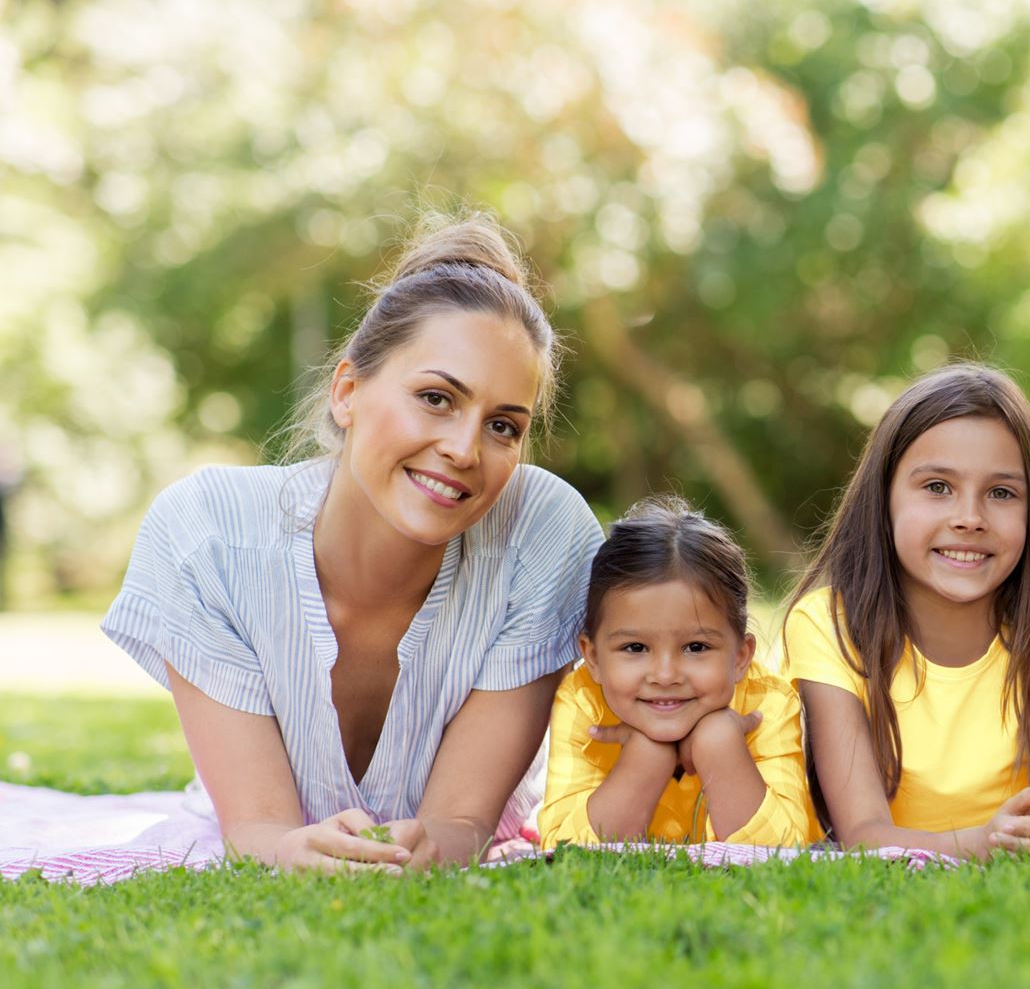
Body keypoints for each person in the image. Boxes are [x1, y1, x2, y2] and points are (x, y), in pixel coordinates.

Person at [102, 213, 601, 871]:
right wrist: (285, 849)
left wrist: (433, 848)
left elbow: (461, 824)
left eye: (503, 427)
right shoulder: (208, 534)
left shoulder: (543, 535)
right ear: (347, 392)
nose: (463, 449)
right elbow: (256, 828)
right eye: (435, 397)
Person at [783, 365, 1030, 860]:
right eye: (937, 487)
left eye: (1001, 493)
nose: (969, 519)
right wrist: (984, 843)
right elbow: (864, 835)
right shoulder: (829, 623)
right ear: (884, 498)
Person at [539, 497, 819, 847]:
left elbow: (784, 850)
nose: (666, 675)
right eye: (635, 648)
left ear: (740, 657)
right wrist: (645, 759)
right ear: (592, 658)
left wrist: (720, 746)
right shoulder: (582, 702)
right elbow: (564, 850)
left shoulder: (769, 704)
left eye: (696, 647)